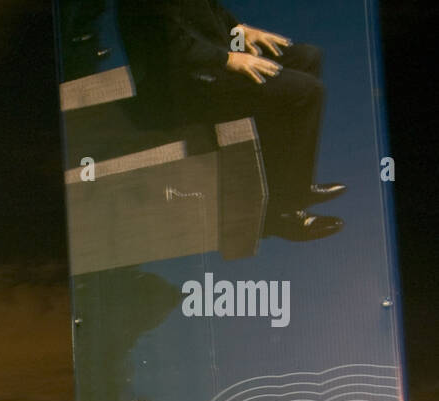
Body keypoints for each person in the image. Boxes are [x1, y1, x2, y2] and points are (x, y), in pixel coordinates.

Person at [117, 1, 344, 242]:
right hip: (176, 90)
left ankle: (292, 186)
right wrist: (228, 59)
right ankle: (282, 214)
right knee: (307, 93)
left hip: (204, 63)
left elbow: (205, 8)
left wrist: (239, 29)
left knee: (308, 57)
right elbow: (170, 47)